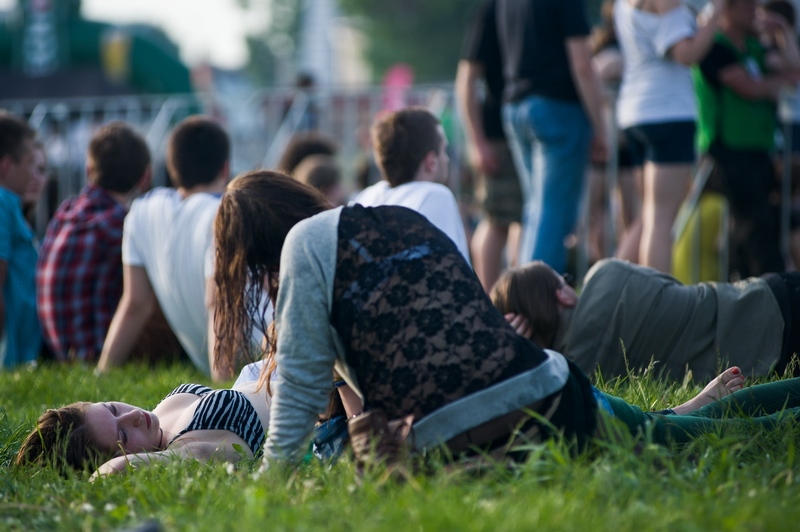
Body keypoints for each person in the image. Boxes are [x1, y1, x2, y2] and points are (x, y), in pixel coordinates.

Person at [212, 171, 800, 469]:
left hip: (519, 423)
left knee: (692, 439)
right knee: (673, 431)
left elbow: (296, 403)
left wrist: (271, 494)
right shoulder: (387, 219)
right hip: (547, 380)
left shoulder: (302, 250)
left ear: (255, 248)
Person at [491, 258, 800, 381]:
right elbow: (671, 285)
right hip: (762, 301)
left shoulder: (575, 372)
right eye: (566, 280)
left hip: (766, 362)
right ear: (563, 295)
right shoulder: (607, 274)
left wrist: (516, 351)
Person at [97, 116, 232, 381]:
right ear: (225, 169)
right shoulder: (224, 213)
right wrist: (225, 390)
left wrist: (101, 374)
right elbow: (218, 303)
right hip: (244, 360)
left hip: (207, 361)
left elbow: (135, 303)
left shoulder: (142, 211)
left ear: (172, 168)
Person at [496, 0, 608, 274]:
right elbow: (582, 64)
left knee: (537, 212)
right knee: (552, 216)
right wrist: (600, 126)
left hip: (516, 106)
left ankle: (522, 299)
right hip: (557, 109)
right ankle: (533, 308)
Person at [613, 0, 723, 273]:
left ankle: (607, 289)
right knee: (661, 221)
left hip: (635, 112)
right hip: (667, 112)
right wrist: (718, 9)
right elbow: (686, 53)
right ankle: (657, 306)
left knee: (648, 218)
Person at [692, 0, 799, 278]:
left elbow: (795, 72)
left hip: (759, 150)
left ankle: (742, 290)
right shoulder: (714, 47)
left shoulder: (753, 47)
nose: (755, 12)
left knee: (755, 229)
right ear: (727, 9)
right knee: (756, 229)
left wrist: (784, 30)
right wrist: (777, 83)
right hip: (727, 151)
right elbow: (749, 88)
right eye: (747, 6)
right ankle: (771, 296)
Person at [36, 122, 152, 362]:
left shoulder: (64, 212)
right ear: (145, 178)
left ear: (89, 169)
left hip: (58, 349)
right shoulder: (122, 223)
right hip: (98, 351)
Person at [15, 380, 270, 477]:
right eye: (123, 435)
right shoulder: (187, 450)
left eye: (113, 409)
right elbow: (111, 472)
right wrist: (116, 467)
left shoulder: (156, 426)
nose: (134, 415)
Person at [456, 0, 523, 291]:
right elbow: (466, 80)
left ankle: (518, 301)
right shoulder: (490, 11)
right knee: (497, 220)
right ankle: (490, 302)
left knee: (517, 218)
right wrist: (476, 141)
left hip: (515, 132)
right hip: (497, 137)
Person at [352, 107, 471, 265]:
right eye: (443, 150)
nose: (447, 159)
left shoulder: (363, 199)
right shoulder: (435, 196)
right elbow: (452, 274)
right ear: (431, 162)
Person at [0, 112, 40, 368]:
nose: (32, 174)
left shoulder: (9, 204)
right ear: (6, 166)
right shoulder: (2, 202)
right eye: (29, 164)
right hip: (10, 353)